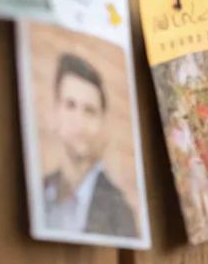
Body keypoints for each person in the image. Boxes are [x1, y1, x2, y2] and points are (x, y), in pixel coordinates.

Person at [42, 51, 137, 239]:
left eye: (90, 111)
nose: (79, 121)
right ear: (55, 112)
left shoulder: (119, 212)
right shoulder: (41, 191)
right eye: (70, 105)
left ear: (102, 123)